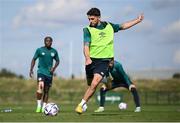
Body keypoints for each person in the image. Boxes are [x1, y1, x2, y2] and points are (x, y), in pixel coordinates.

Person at [75, 7, 144, 114]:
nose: (90, 21)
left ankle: (81, 105)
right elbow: (86, 45)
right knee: (90, 84)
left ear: (98, 17)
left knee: (94, 83)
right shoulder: (87, 29)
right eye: (89, 19)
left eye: (92, 19)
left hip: (104, 61)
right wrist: (87, 58)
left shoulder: (109, 26)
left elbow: (123, 26)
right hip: (91, 61)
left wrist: (137, 20)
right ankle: (106, 80)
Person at [29, 36, 60, 113]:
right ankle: (39, 106)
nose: (48, 42)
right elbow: (34, 59)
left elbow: (58, 61)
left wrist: (54, 68)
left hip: (49, 74)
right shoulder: (39, 50)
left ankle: (44, 107)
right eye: (47, 41)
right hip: (41, 72)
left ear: (52, 42)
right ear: (44, 42)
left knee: (46, 91)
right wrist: (31, 69)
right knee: (40, 86)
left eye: (50, 41)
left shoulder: (54, 51)